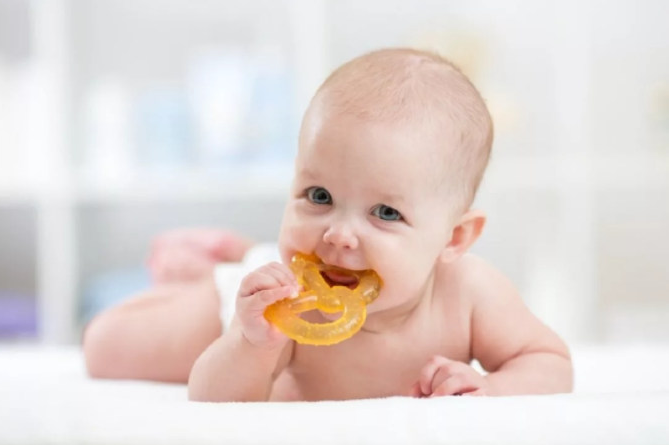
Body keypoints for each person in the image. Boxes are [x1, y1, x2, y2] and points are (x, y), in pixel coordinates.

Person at [84, 48, 573, 401]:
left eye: (385, 213)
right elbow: (214, 398)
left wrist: (492, 388)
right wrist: (251, 343)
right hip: (242, 304)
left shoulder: (471, 293)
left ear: (454, 238)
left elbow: (549, 362)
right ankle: (222, 271)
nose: (338, 235)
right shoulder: (287, 304)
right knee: (104, 346)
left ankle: (237, 252)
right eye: (319, 197)